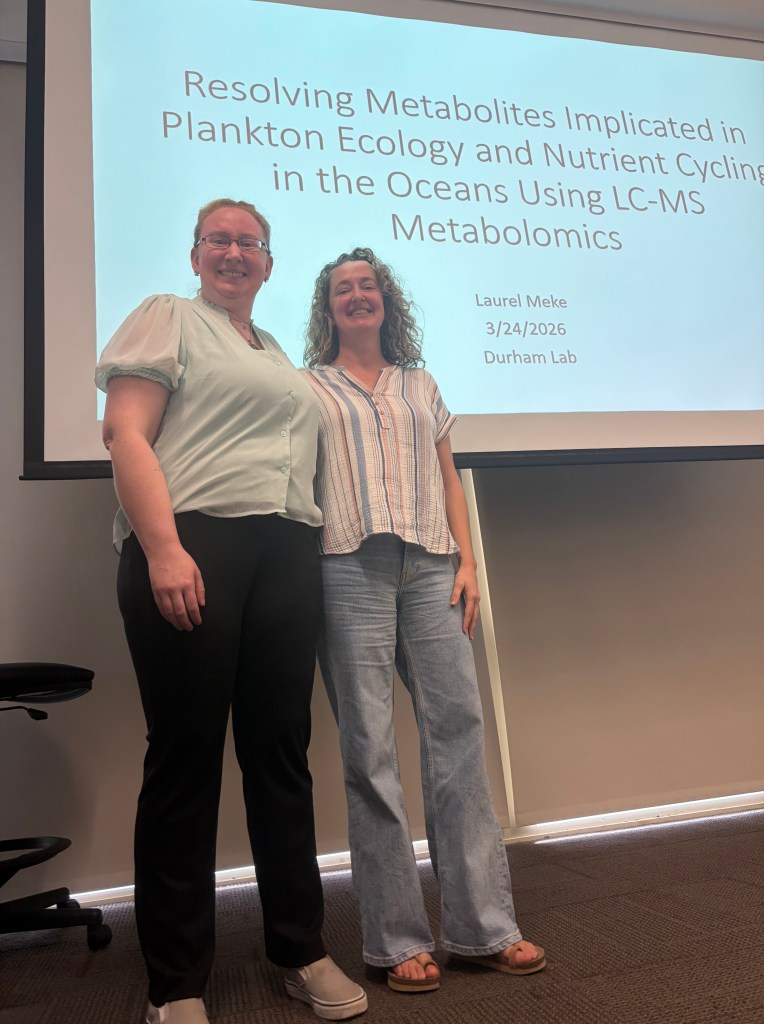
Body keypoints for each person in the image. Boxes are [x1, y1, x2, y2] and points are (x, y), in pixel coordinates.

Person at [95, 201, 368, 1024]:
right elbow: (126, 433)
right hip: (193, 546)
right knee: (185, 762)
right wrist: (165, 550)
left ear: (270, 264)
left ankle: (298, 949)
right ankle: (175, 984)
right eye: (219, 238)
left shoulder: (278, 352)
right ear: (195, 252)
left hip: (287, 552)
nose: (234, 252)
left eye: (250, 242)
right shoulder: (168, 318)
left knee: (281, 756)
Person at [304, 247, 546, 993]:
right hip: (347, 567)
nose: (357, 296)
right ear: (328, 308)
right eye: (342, 289)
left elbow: (448, 477)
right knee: (370, 751)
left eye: (367, 285)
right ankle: (397, 939)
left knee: (460, 739)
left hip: (434, 567)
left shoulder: (423, 383)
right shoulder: (306, 388)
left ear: (387, 300)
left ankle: (482, 929)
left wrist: (468, 562)